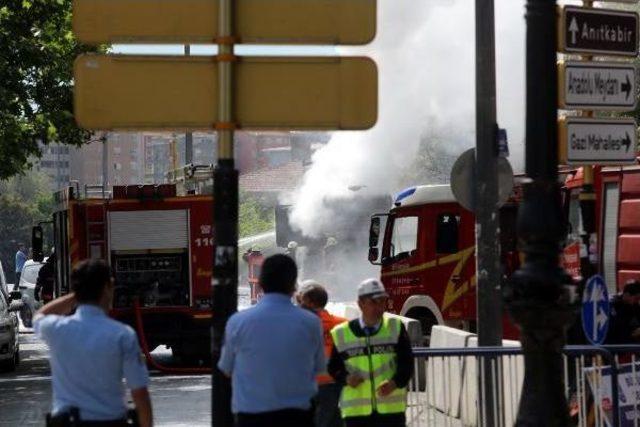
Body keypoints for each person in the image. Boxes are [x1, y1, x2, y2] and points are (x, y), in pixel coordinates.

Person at [34, 259, 153, 427]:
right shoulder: (122, 335)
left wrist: (77, 294)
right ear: (107, 287)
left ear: (77, 291)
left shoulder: (57, 330)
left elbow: (39, 316)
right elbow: (140, 393)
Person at [218, 254, 325, 427]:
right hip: (297, 417)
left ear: (260, 283)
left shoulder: (237, 322)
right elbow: (319, 368)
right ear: (293, 286)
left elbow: (226, 369)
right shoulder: (311, 323)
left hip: (251, 417)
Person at [328, 278, 413, 427]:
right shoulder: (341, 333)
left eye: (382, 301)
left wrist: (395, 383)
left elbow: (407, 364)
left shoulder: (395, 328)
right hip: (356, 414)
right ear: (360, 303)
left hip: (390, 413)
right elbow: (333, 368)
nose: (379, 307)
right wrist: (346, 378)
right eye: (373, 302)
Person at [298, 280, 347, 427]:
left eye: (301, 300)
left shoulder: (299, 324)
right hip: (333, 383)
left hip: (307, 384)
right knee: (332, 419)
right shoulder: (342, 324)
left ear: (309, 301)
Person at [606, 279, 640, 344]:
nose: (637, 301)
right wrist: (631, 334)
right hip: (617, 345)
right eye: (636, 298)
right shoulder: (614, 306)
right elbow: (616, 329)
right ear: (627, 295)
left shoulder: (635, 306)